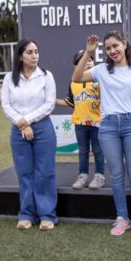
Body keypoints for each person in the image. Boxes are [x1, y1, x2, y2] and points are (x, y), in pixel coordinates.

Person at [72, 31, 131, 237]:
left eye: (115, 46)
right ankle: (121, 218)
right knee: (116, 175)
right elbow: (77, 77)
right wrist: (88, 53)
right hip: (107, 126)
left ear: (124, 44)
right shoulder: (100, 70)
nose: (113, 51)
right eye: (108, 48)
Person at [1, 38, 58, 230]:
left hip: (42, 128)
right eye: (30, 52)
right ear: (20, 56)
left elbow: (49, 104)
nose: (35, 56)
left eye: (36, 51)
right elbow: (6, 105)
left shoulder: (46, 76)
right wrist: (21, 123)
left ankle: (47, 215)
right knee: (24, 173)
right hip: (18, 130)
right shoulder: (9, 78)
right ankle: (26, 214)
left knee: (45, 173)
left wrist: (28, 120)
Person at [56, 49, 105, 190]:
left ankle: (99, 176)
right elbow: (69, 102)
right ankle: (83, 176)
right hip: (80, 123)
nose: (88, 62)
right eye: (84, 60)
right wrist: (53, 101)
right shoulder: (73, 83)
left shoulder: (99, 80)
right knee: (83, 150)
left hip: (97, 122)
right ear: (76, 66)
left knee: (98, 150)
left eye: (90, 59)